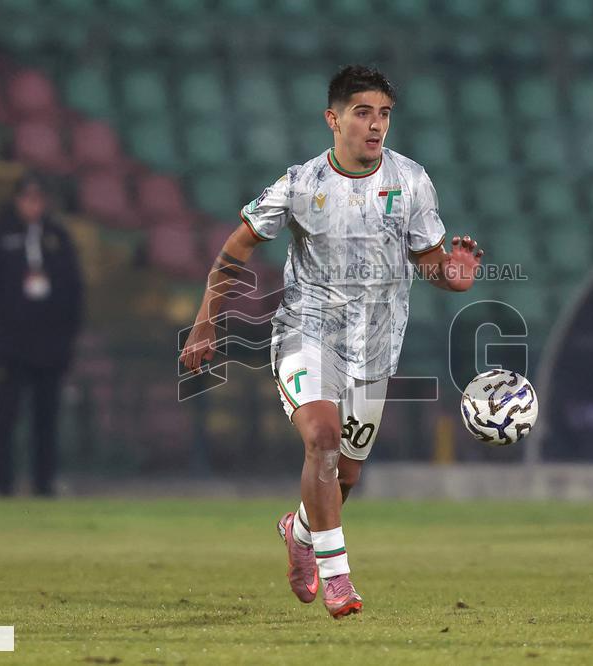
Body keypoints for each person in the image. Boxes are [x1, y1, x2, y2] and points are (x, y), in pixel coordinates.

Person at [180, 65, 482, 618]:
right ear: (333, 118)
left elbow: (431, 264)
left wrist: (455, 273)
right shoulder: (300, 184)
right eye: (363, 113)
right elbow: (237, 246)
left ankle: (299, 530)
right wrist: (206, 319)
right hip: (306, 330)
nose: (376, 126)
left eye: (384, 114)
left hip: (376, 346)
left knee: (344, 476)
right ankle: (339, 579)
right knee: (320, 435)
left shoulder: (411, 180)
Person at [0, 173, 83, 497]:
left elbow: (73, 289)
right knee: (7, 417)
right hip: (11, 344)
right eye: (27, 198)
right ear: (17, 200)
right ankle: (3, 483)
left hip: (49, 345)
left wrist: (66, 337)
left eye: (38, 198)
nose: (33, 205)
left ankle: (43, 482)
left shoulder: (58, 236)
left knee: (46, 419)